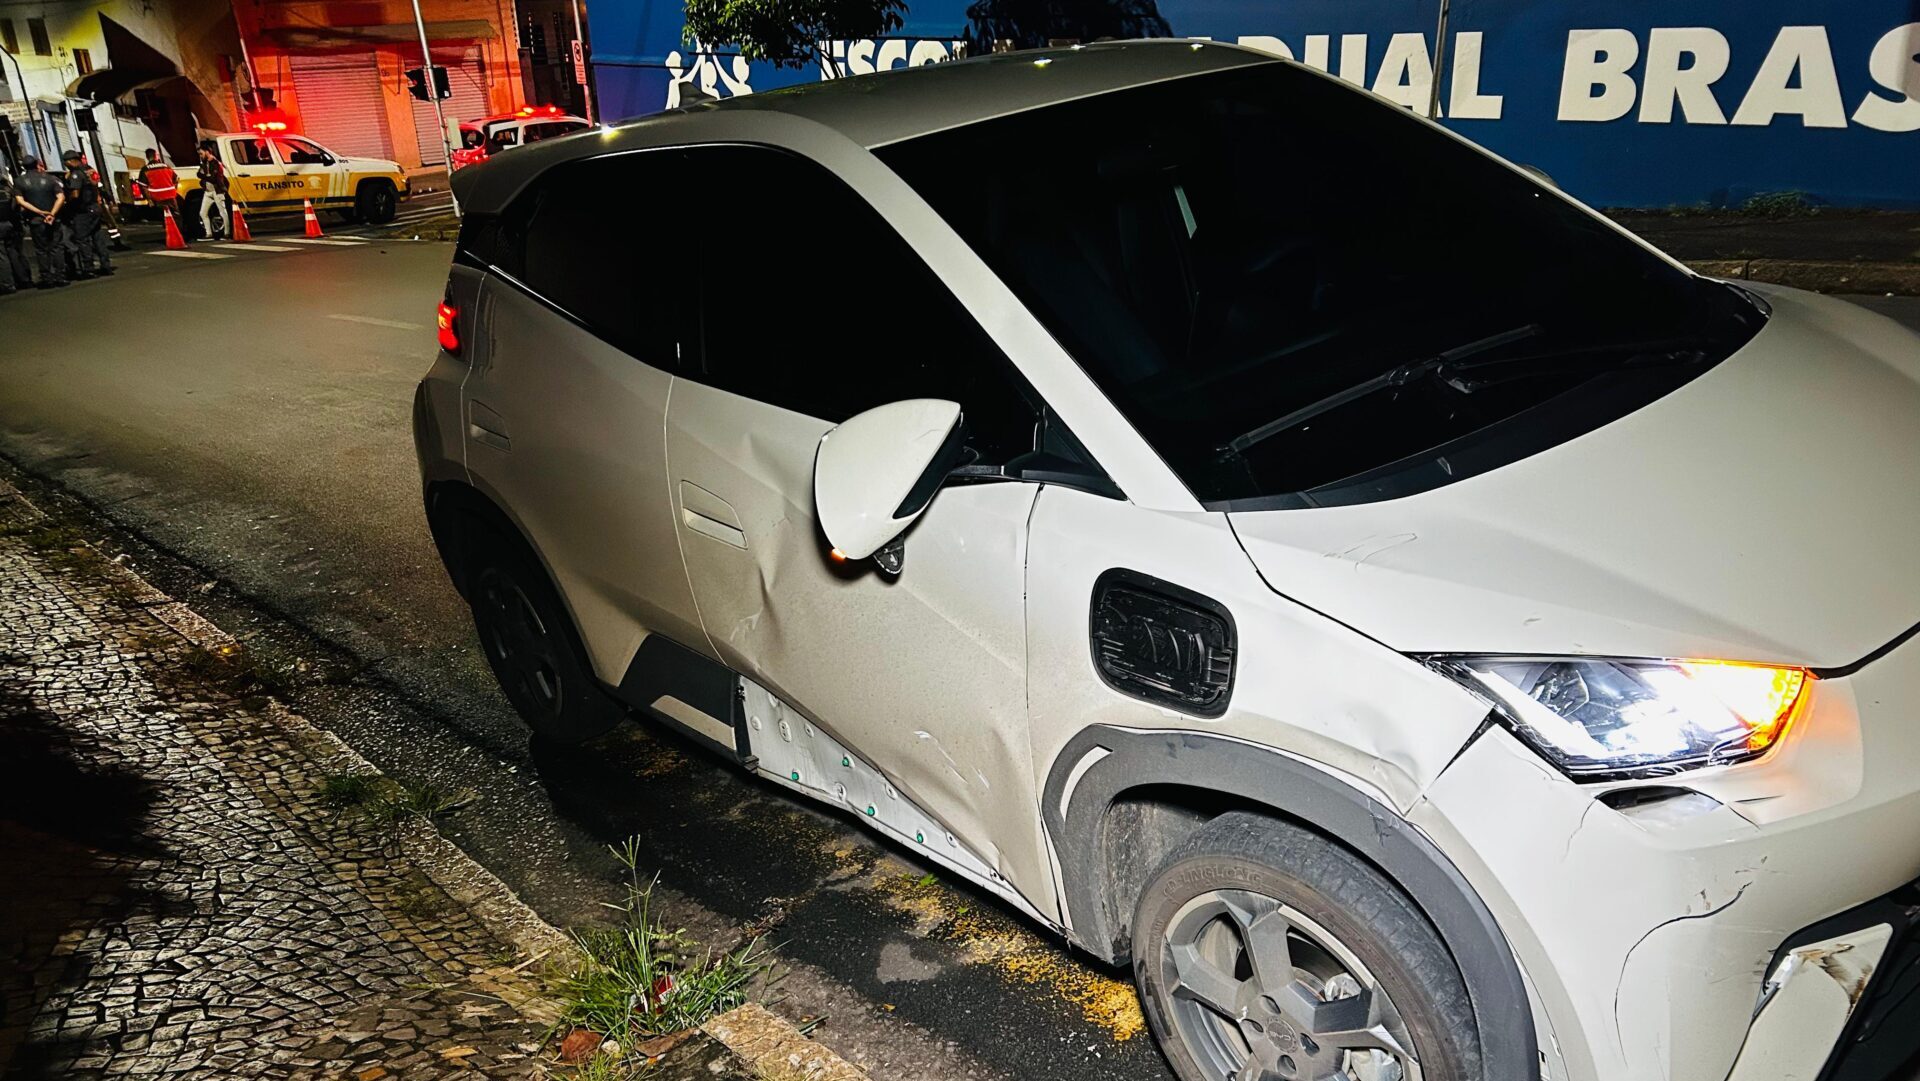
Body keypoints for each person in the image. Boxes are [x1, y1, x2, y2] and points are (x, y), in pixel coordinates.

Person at [12, 156, 68, 288]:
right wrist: (52, 213)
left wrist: (39, 212)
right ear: (37, 164)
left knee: (41, 249)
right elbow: (61, 197)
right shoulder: (50, 179)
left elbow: (20, 201)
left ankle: (47, 277)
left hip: (35, 220)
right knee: (56, 247)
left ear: (23, 167)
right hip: (54, 219)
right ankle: (60, 276)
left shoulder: (19, 181)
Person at [60, 149, 113, 277]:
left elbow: (76, 194)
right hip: (95, 207)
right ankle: (106, 265)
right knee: (97, 236)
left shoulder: (76, 174)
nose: (65, 165)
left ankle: (88, 268)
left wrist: (68, 204)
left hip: (83, 210)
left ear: (71, 161)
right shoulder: (89, 169)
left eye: (66, 162)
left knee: (82, 239)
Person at [0, 170, 31, 295]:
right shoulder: (9, 190)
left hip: (1, 223)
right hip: (12, 223)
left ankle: (8, 283)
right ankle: (24, 279)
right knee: (16, 251)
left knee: (2, 255)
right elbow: (16, 207)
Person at [136, 148, 183, 230]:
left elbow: (143, 186)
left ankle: (169, 234)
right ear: (156, 156)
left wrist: (149, 200)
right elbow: (176, 179)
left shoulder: (145, 169)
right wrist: (174, 190)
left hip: (157, 197)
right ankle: (180, 233)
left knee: (165, 217)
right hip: (171, 196)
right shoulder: (165, 166)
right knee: (176, 215)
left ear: (147, 157)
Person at [196, 141, 230, 240]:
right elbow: (200, 174)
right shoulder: (204, 163)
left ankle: (227, 233)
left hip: (217, 191)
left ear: (207, 152)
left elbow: (214, 178)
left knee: (222, 212)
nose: (200, 156)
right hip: (208, 191)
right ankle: (209, 234)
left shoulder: (216, 163)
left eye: (201, 153)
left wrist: (204, 176)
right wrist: (205, 176)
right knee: (202, 213)